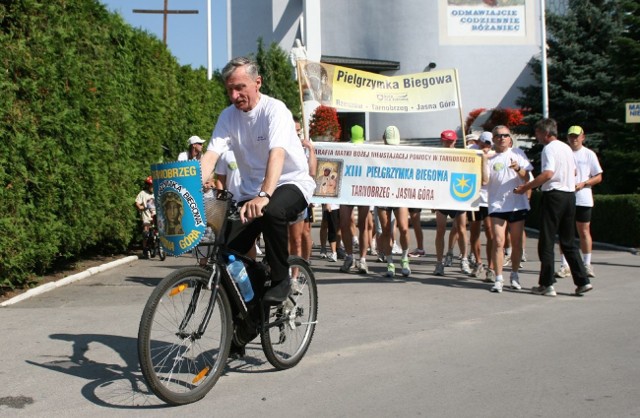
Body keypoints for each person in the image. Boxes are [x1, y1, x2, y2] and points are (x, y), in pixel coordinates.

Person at [199, 56, 315, 304]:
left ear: (257, 82)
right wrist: (190, 185)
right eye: (229, 89)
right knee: (227, 249)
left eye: (240, 87)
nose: (234, 95)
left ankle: (281, 278)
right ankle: (243, 326)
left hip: (289, 182)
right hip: (249, 192)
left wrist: (264, 195)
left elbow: (278, 154)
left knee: (273, 210)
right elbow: (211, 154)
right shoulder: (227, 117)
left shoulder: (275, 110)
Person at [514, 118, 593, 296]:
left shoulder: (549, 148)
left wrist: (526, 187)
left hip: (554, 195)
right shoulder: (566, 148)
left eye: (538, 133)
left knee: (547, 241)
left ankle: (547, 284)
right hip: (569, 196)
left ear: (546, 133)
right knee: (568, 241)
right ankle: (582, 281)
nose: (537, 136)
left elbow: (548, 173)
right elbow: (573, 172)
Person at [485, 126, 533, 293]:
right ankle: (498, 278)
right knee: (498, 241)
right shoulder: (489, 158)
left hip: (516, 204)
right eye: (498, 136)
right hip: (497, 204)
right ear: (493, 139)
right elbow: (484, 181)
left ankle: (514, 274)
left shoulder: (518, 153)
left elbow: (527, 177)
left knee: (516, 242)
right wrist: (482, 162)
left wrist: (518, 168)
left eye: (505, 135)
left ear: (509, 138)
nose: (502, 138)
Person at [555, 125, 603, 278]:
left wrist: (584, 183)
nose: (574, 139)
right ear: (567, 138)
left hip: (583, 198)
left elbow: (598, 176)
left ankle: (587, 264)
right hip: (565, 197)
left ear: (583, 137)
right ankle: (565, 265)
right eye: (571, 136)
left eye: (577, 136)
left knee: (584, 231)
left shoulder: (589, 154)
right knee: (565, 232)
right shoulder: (564, 153)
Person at [433, 130, 471, 276]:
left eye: (451, 141)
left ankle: (464, 259)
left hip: (458, 196)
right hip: (442, 198)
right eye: (446, 141)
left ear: (455, 141)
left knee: (461, 229)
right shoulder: (436, 156)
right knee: (440, 231)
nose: (449, 143)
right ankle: (439, 262)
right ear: (442, 141)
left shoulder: (462, 155)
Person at [376, 126, 411, 277]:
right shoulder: (377, 155)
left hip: (399, 194)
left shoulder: (404, 154)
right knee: (385, 231)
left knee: (404, 228)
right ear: (383, 140)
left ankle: (404, 258)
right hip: (382, 195)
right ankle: (390, 262)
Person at [339, 125, 372, 274]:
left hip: (363, 190)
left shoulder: (369, 149)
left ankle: (363, 259)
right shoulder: (345, 148)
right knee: (345, 223)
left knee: (363, 225)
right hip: (347, 190)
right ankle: (349, 256)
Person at [289, 115, 317, 263]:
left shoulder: (304, 148)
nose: (297, 134)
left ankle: (303, 264)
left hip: (301, 196)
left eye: (299, 131)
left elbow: (312, 172)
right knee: (286, 238)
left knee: (301, 235)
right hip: (283, 195)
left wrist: (310, 149)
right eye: (294, 131)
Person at [467, 132, 494, 280]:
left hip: (490, 200)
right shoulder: (472, 151)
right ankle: (478, 263)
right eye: (484, 143)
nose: (487, 146)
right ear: (479, 142)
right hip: (475, 198)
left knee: (490, 233)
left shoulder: (495, 154)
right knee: (474, 232)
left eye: (489, 144)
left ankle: (491, 267)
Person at [135, 176, 156, 259]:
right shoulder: (143, 193)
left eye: (154, 186)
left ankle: (159, 246)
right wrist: (140, 206)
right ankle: (144, 248)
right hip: (146, 217)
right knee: (146, 232)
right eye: (151, 186)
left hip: (156, 216)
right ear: (148, 186)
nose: (152, 188)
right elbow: (137, 202)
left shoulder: (157, 193)